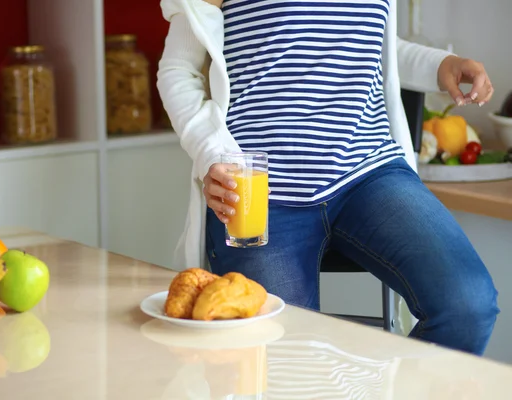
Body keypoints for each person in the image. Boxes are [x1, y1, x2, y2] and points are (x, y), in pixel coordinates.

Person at [157, 0, 499, 356]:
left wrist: (443, 65)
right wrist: (212, 153)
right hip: (258, 190)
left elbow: (369, 42)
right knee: (279, 354)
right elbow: (178, 70)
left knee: (469, 306)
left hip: (369, 172)